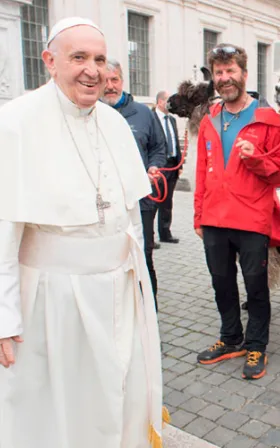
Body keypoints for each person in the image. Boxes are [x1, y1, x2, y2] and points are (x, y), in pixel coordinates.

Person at [0, 17, 165, 448]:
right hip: (53, 300)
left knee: (119, 395)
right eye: (79, 58)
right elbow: (3, 230)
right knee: (61, 410)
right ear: (50, 62)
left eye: (100, 59)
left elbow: (130, 216)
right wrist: (4, 315)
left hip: (120, 293)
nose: (93, 70)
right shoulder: (15, 122)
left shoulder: (113, 122)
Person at [194, 43, 280, 380]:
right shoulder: (210, 119)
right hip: (214, 219)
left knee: (256, 287)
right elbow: (202, 169)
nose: (224, 78)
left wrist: (257, 158)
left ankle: (256, 345)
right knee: (221, 284)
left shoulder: (268, 119)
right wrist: (197, 215)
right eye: (219, 72)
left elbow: (279, 173)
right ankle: (231, 338)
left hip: (251, 219)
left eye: (230, 71)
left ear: (244, 75)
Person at [101, 60, 166, 308]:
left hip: (142, 201)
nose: (109, 86)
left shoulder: (143, 113)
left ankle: (149, 309)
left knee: (143, 256)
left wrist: (154, 166)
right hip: (105, 204)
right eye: (104, 81)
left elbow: (159, 148)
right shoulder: (92, 111)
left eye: (114, 79)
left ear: (122, 81)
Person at [154, 91, 181, 244]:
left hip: (172, 166)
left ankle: (165, 233)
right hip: (158, 166)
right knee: (154, 202)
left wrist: (179, 164)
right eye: (167, 101)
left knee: (167, 202)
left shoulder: (171, 120)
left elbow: (175, 141)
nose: (170, 104)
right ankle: (149, 236)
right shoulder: (152, 118)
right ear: (159, 101)